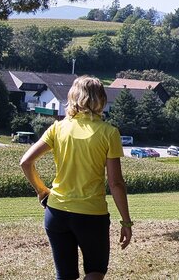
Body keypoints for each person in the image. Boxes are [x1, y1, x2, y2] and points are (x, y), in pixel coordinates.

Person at [20, 76, 132, 280]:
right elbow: (115, 183)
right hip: (92, 215)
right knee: (95, 271)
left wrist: (42, 191)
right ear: (101, 99)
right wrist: (126, 222)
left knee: (65, 275)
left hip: (56, 213)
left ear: (73, 97)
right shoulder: (109, 133)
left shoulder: (57, 128)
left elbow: (26, 162)